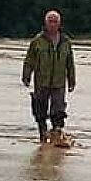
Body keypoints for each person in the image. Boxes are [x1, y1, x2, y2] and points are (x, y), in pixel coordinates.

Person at [22, 10, 75, 146]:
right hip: (41, 81)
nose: (52, 24)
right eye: (50, 21)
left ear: (59, 24)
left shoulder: (66, 42)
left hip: (59, 82)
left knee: (58, 110)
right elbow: (29, 60)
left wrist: (72, 80)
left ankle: (56, 133)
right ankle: (42, 133)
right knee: (40, 108)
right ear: (45, 23)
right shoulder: (37, 41)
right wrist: (26, 76)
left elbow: (70, 63)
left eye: (55, 21)